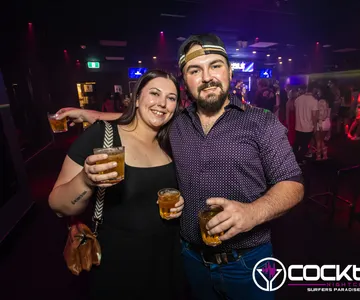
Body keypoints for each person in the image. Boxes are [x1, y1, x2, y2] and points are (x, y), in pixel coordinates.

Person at [56, 33, 304, 300]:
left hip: (246, 262)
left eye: (215, 66)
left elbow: (293, 184)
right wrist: (92, 115)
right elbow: (143, 116)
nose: (207, 77)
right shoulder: (177, 123)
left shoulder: (261, 123)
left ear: (230, 72)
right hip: (189, 260)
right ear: (186, 81)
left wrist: (252, 213)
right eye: (195, 70)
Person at [48, 70, 185, 300]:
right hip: (118, 263)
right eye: (154, 93)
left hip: (167, 259)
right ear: (137, 98)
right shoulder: (102, 136)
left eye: (171, 98)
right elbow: (57, 204)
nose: (162, 103)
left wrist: (179, 202)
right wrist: (85, 180)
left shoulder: (169, 142)